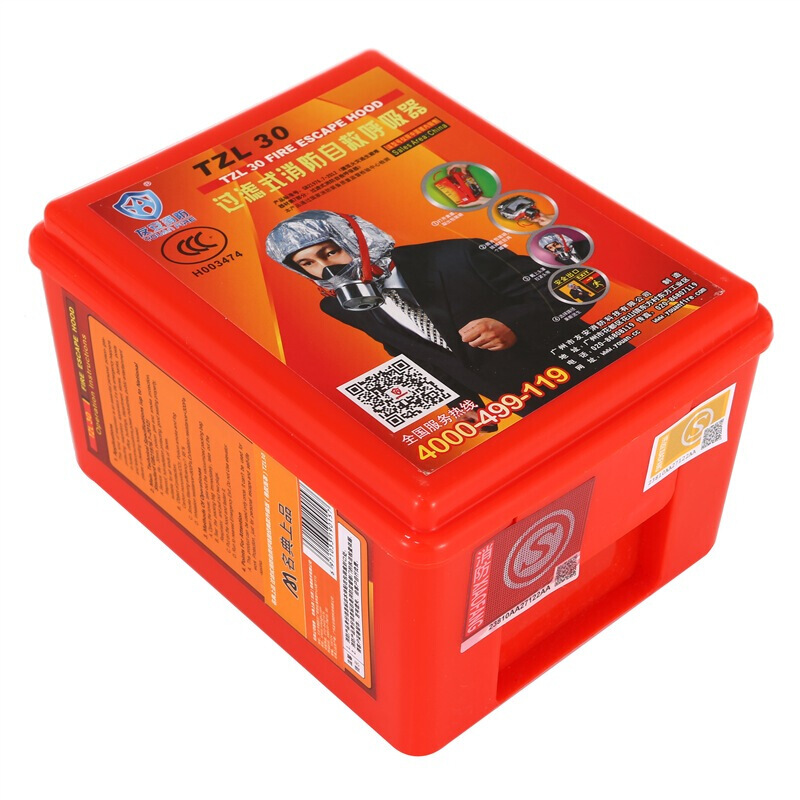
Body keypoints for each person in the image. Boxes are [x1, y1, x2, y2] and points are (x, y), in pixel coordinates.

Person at [265, 210, 621, 416]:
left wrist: (511, 323)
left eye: (330, 253)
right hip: (522, 400)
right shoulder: (338, 305)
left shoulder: (457, 255)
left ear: (357, 239)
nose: (325, 270)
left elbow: (573, 286)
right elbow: (409, 350)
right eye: (307, 264)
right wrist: (460, 403)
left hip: (596, 374)